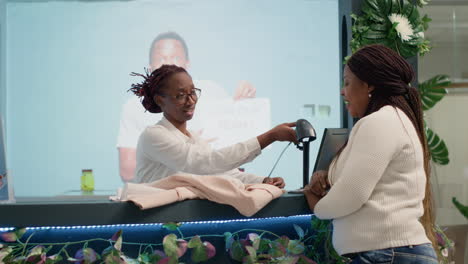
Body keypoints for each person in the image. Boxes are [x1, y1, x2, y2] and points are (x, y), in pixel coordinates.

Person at [303, 44, 438, 263]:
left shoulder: (379, 122)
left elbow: (352, 195)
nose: (342, 91)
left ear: (369, 85)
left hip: (387, 254)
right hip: (392, 253)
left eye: (347, 82)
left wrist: (315, 202)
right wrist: (324, 177)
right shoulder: (392, 119)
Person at [117, 31, 257, 182]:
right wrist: (181, 150)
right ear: (150, 67)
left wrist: (243, 106)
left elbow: (229, 158)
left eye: (176, 58)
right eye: (162, 59)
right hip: (166, 196)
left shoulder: (214, 91)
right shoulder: (137, 113)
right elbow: (127, 172)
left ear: (187, 64)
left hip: (209, 193)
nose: (169, 64)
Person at [128, 64, 296, 187]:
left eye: (193, 92)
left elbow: (224, 172)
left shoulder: (194, 138)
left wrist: (262, 181)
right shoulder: (153, 135)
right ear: (159, 100)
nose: (191, 100)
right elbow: (205, 163)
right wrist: (270, 136)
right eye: (180, 95)